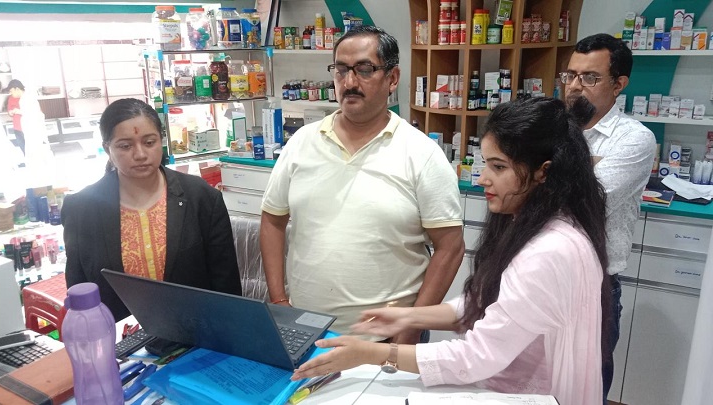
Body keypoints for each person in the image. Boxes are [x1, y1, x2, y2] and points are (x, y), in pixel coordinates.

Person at [290, 97, 609, 405]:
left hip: (523, 393)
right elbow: (485, 303)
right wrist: (407, 316)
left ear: (543, 172)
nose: (482, 179)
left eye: (498, 167)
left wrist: (372, 353)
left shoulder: (548, 252)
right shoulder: (540, 226)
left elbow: (477, 355)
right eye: (486, 164)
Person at [260, 25, 464, 344]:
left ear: (392, 78)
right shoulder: (301, 143)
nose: (350, 82)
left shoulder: (421, 153)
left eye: (364, 69)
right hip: (306, 330)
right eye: (341, 70)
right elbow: (272, 220)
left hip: (386, 337)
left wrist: (410, 328)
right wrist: (279, 300)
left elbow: (450, 247)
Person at [62, 98, 242, 321]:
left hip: (195, 333)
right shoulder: (81, 209)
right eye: (125, 146)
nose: (140, 154)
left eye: (149, 142)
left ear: (161, 140)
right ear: (107, 148)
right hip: (119, 337)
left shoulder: (202, 198)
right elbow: (79, 295)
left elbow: (227, 288)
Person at [562, 33, 656, 401]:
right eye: (570, 75)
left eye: (590, 77)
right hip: (540, 275)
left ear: (619, 84)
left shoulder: (633, 139)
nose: (574, 86)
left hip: (593, 286)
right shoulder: (552, 130)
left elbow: (584, 202)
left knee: (585, 389)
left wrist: (542, 181)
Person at [5, 79, 26, 155]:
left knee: (31, 148)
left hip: (27, 127)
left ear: (17, 89)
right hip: (17, 128)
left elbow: (34, 113)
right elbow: (9, 111)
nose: (10, 93)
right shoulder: (11, 98)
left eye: (11, 91)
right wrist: (10, 112)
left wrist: (19, 111)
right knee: (22, 147)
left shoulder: (27, 98)